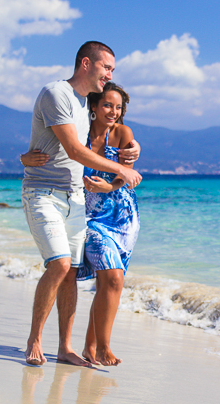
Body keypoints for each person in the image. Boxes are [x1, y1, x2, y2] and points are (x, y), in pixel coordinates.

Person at [21, 41, 142, 367]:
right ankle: (35, 339)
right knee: (60, 265)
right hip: (44, 192)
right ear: (86, 64)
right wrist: (120, 168)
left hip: (76, 199)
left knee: (72, 272)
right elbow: (75, 150)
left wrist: (134, 149)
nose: (110, 74)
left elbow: (111, 131)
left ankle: (66, 348)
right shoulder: (56, 93)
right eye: (107, 68)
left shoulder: (82, 104)